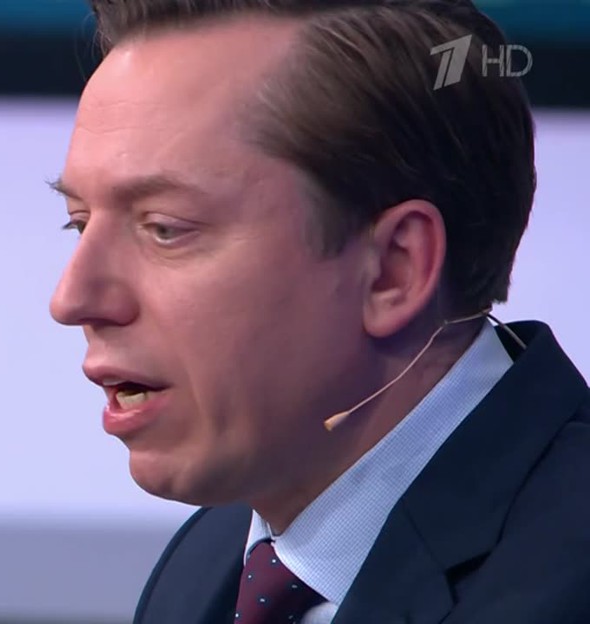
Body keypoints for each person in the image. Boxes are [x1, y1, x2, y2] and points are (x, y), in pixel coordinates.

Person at [47, 1, 590, 622]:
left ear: (393, 270)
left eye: (165, 229)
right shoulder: (205, 560)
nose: (73, 299)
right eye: (79, 223)